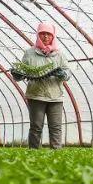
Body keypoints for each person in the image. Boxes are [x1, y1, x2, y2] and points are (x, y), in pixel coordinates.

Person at [22, 21, 69, 149]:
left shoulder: (59, 54)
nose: (46, 37)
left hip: (55, 96)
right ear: (38, 35)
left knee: (56, 127)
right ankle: (33, 153)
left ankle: (56, 154)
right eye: (42, 34)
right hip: (36, 95)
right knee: (36, 127)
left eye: (49, 34)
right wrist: (18, 74)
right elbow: (23, 70)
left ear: (53, 36)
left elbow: (67, 72)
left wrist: (63, 74)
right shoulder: (29, 53)